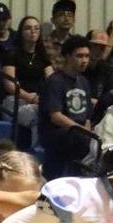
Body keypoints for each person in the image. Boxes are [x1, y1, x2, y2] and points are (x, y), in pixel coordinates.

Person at [39, 36, 98, 178]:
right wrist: (81, 131)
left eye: (87, 56)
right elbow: (55, 116)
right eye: (79, 56)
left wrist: (87, 132)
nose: (84, 60)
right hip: (57, 134)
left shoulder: (84, 82)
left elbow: (87, 116)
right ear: (67, 56)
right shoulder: (55, 81)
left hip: (78, 133)